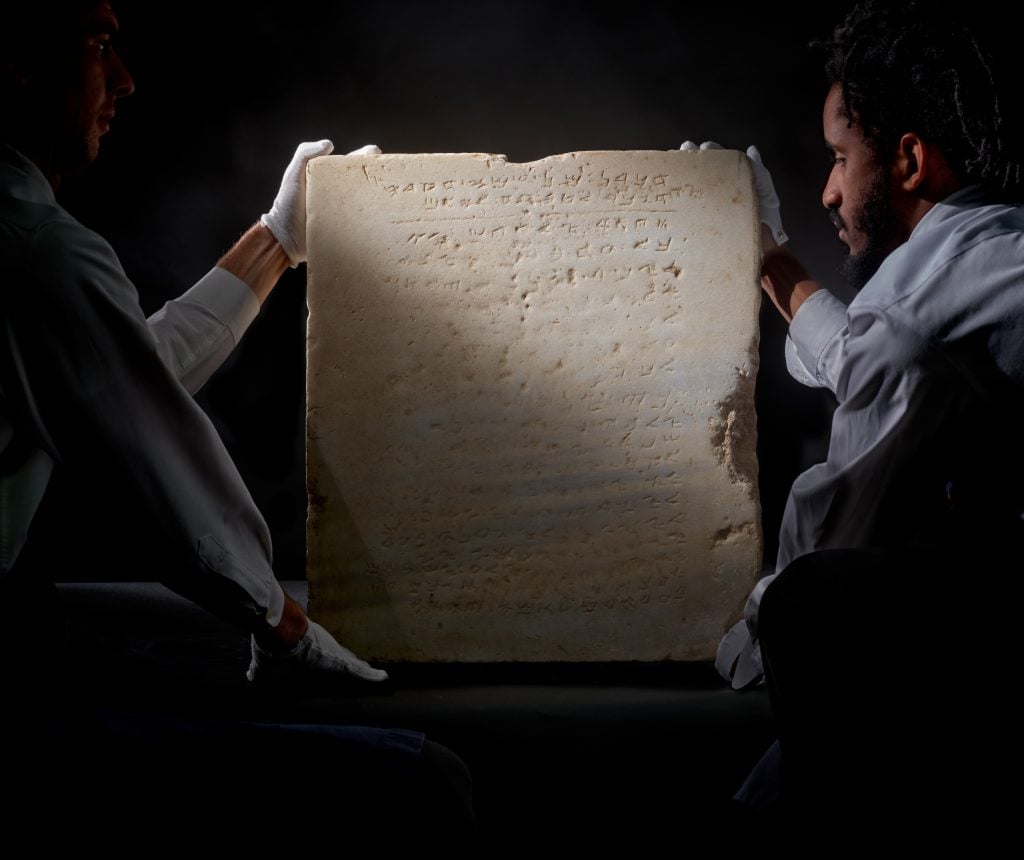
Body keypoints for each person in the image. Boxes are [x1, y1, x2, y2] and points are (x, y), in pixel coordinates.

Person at [696, 0, 1023, 834]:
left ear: (909, 159)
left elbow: (838, 514)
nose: (829, 188)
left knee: (810, 602)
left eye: (843, 157)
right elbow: (857, 355)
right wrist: (771, 258)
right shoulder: (985, 249)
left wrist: (758, 616)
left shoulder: (918, 308)